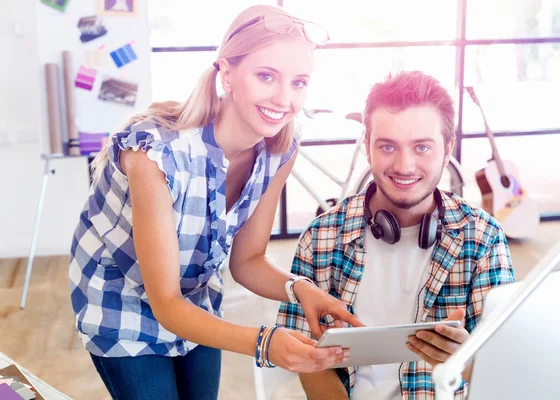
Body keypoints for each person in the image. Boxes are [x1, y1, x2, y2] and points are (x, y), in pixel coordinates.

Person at [69, 5, 361, 400]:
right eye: (266, 75)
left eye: (299, 82)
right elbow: (166, 303)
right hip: (120, 302)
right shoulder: (157, 154)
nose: (284, 98)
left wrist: (300, 288)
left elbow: (247, 261)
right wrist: (265, 342)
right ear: (226, 73)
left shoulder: (280, 148)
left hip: (194, 298)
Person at [276, 71, 515, 399]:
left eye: (421, 147)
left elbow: (505, 370)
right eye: (388, 146)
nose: (404, 166)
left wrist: (465, 359)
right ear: (368, 147)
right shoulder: (320, 238)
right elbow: (305, 360)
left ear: (447, 149)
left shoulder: (483, 238)